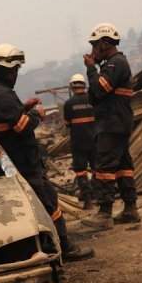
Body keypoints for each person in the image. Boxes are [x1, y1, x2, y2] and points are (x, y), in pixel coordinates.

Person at [0, 44, 94, 262]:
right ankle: (64, 248)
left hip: (12, 162)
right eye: (16, 70)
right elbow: (22, 127)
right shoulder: (2, 94)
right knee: (47, 204)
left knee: (43, 201)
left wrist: (23, 107)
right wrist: (36, 113)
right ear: (10, 70)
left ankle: (49, 246)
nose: (16, 74)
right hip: (23, 162)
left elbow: (6, 120)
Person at [80, 23, 140, 231]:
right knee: (123, 167)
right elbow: (94, 95)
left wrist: (90, 68)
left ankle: (104, 213)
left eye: (95, 45)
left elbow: (99, 88)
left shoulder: (116, 63)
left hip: (112, 123)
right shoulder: (112, 65)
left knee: (104, 166)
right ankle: (131, 209)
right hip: (116, 122)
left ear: (105, 43)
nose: (93, 50)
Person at [62, 73, 96, 210]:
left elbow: (66, 123)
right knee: (98, 170)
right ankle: (100, 197)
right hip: (94, 141)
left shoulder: (69, 104)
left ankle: (88, 201)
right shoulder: (92, 100)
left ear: (71, 87)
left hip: (78, 143)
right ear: (84, 85)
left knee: (81, 172)